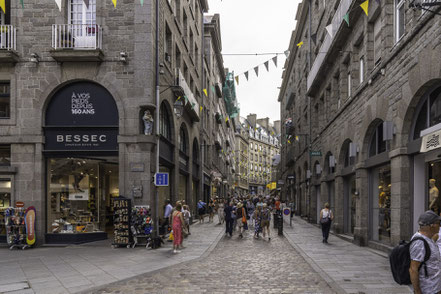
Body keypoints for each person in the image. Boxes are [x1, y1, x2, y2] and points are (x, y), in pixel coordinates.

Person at [409, 210, 441, 294]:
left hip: (435, 287)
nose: (440, 226)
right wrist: (417, 291)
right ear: (432, 225)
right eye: (438, 223)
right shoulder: (419, 243)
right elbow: (413, 269)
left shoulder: (428, 238)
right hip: (427, 290)